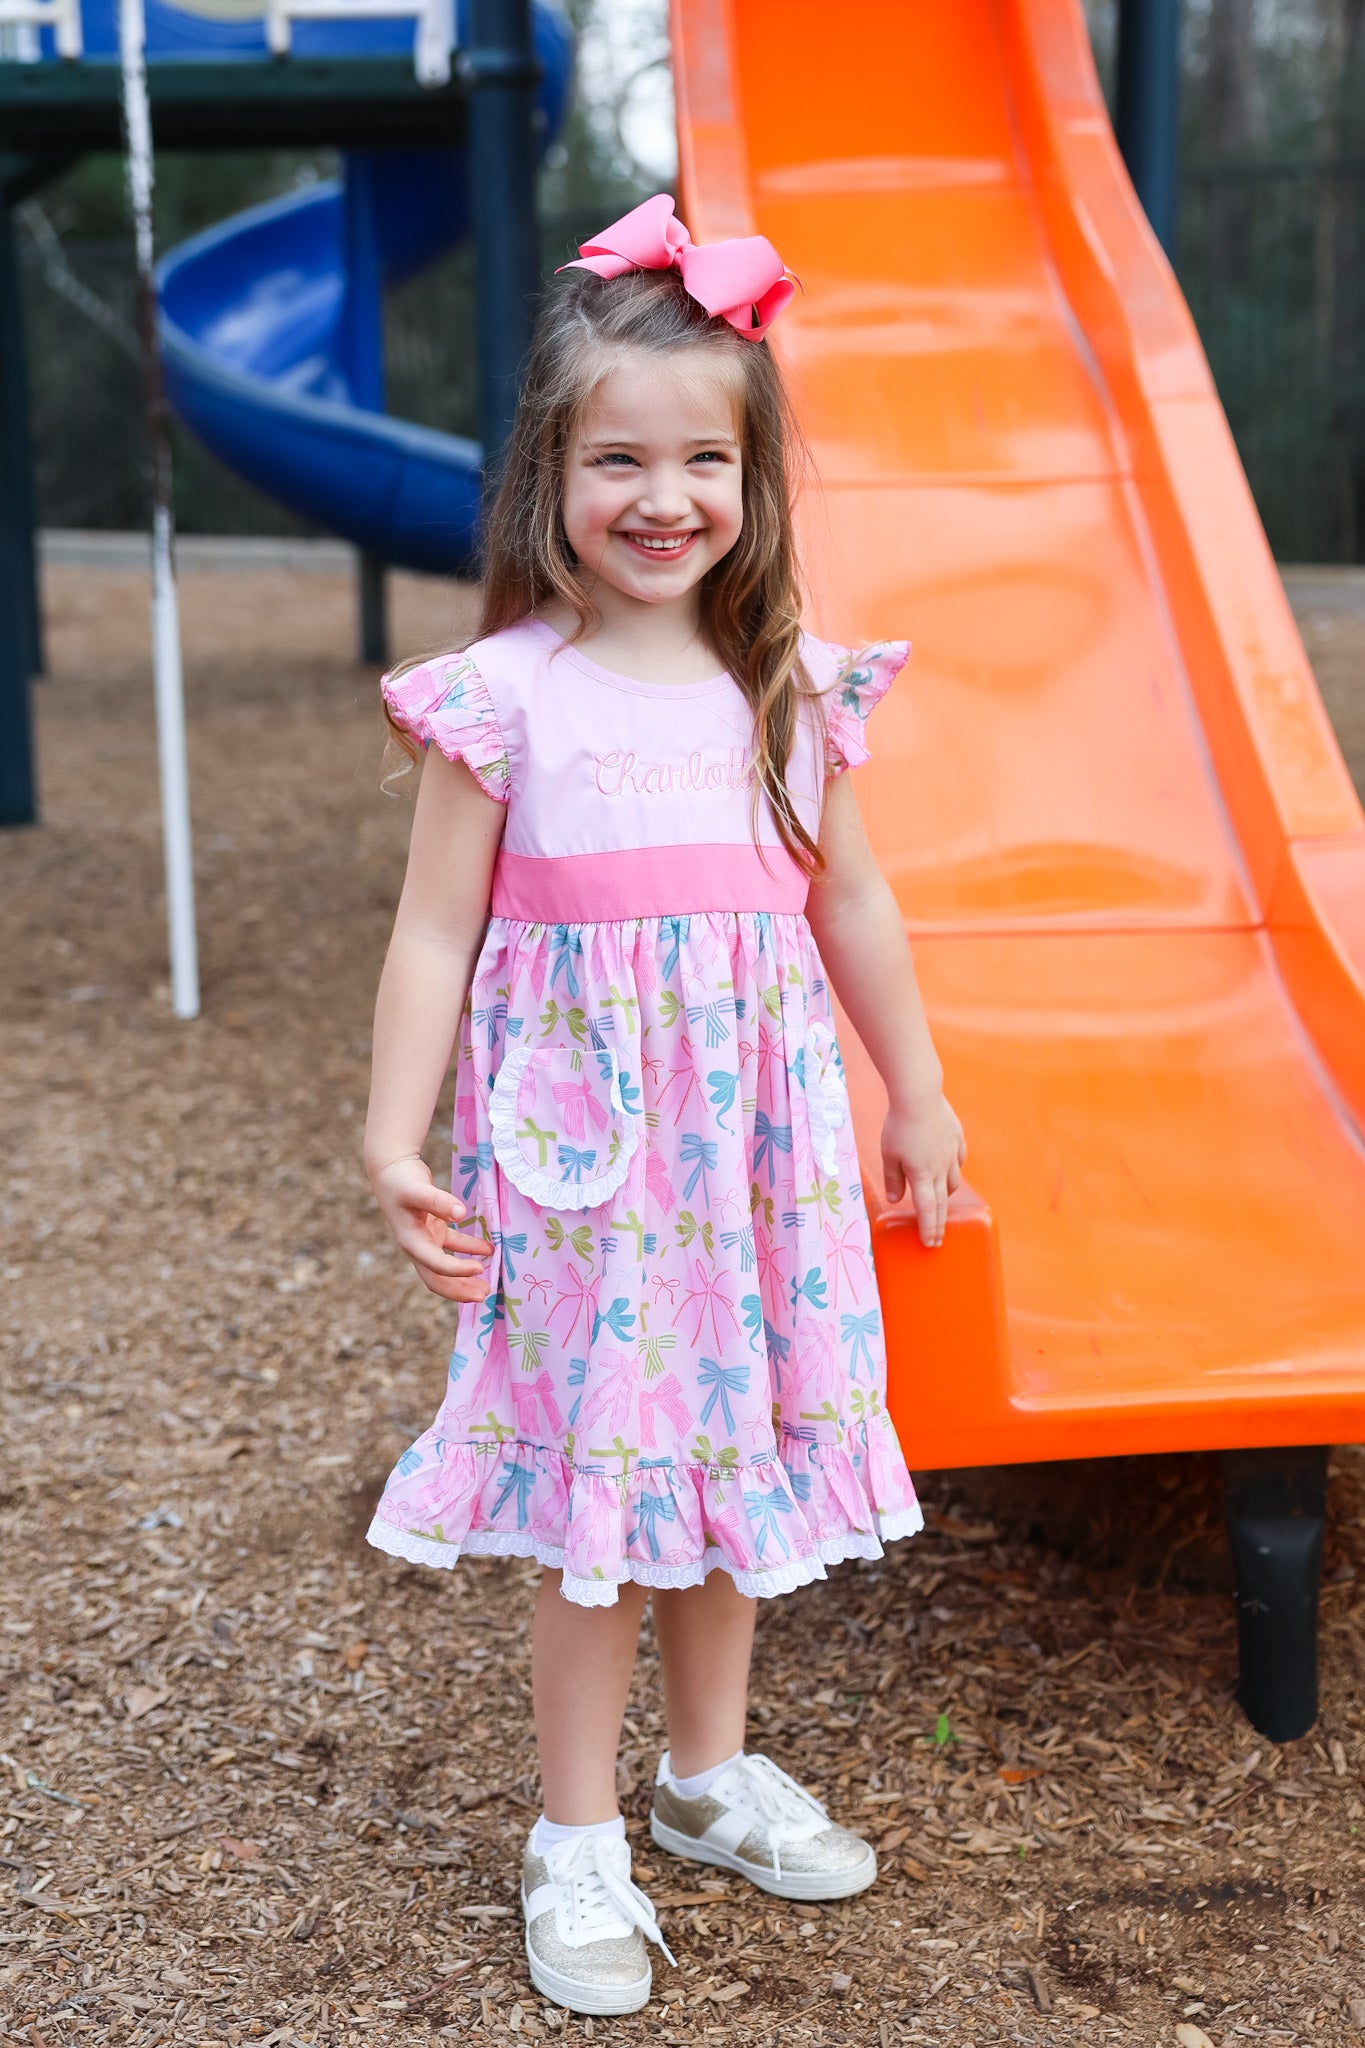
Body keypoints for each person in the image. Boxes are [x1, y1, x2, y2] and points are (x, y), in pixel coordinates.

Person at [363, 194, 965, 2019]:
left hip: (756, 1176)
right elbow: (429, 934)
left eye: (703, 455)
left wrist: (915, 1092)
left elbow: (847, 899)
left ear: (753, 479)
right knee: (601, 1505)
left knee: (734, 1473)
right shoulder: (502, 703)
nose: (661, 495)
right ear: (550, 475)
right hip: (588, 1171)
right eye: (618, 456)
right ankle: (576, 1839)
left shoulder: (786, 691)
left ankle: (703, 1781)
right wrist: (392, 1137)